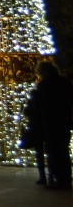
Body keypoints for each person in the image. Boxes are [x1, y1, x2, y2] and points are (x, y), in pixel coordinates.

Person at [31, 61, 73, 190]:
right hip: (65, 121)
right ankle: (66, 179)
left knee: (54, 151)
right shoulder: (64, 82)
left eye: (40, 72)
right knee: (63, 150)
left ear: (45, 71)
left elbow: (40, 103)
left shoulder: (45, 84)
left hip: (51, 122)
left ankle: (59, 180)